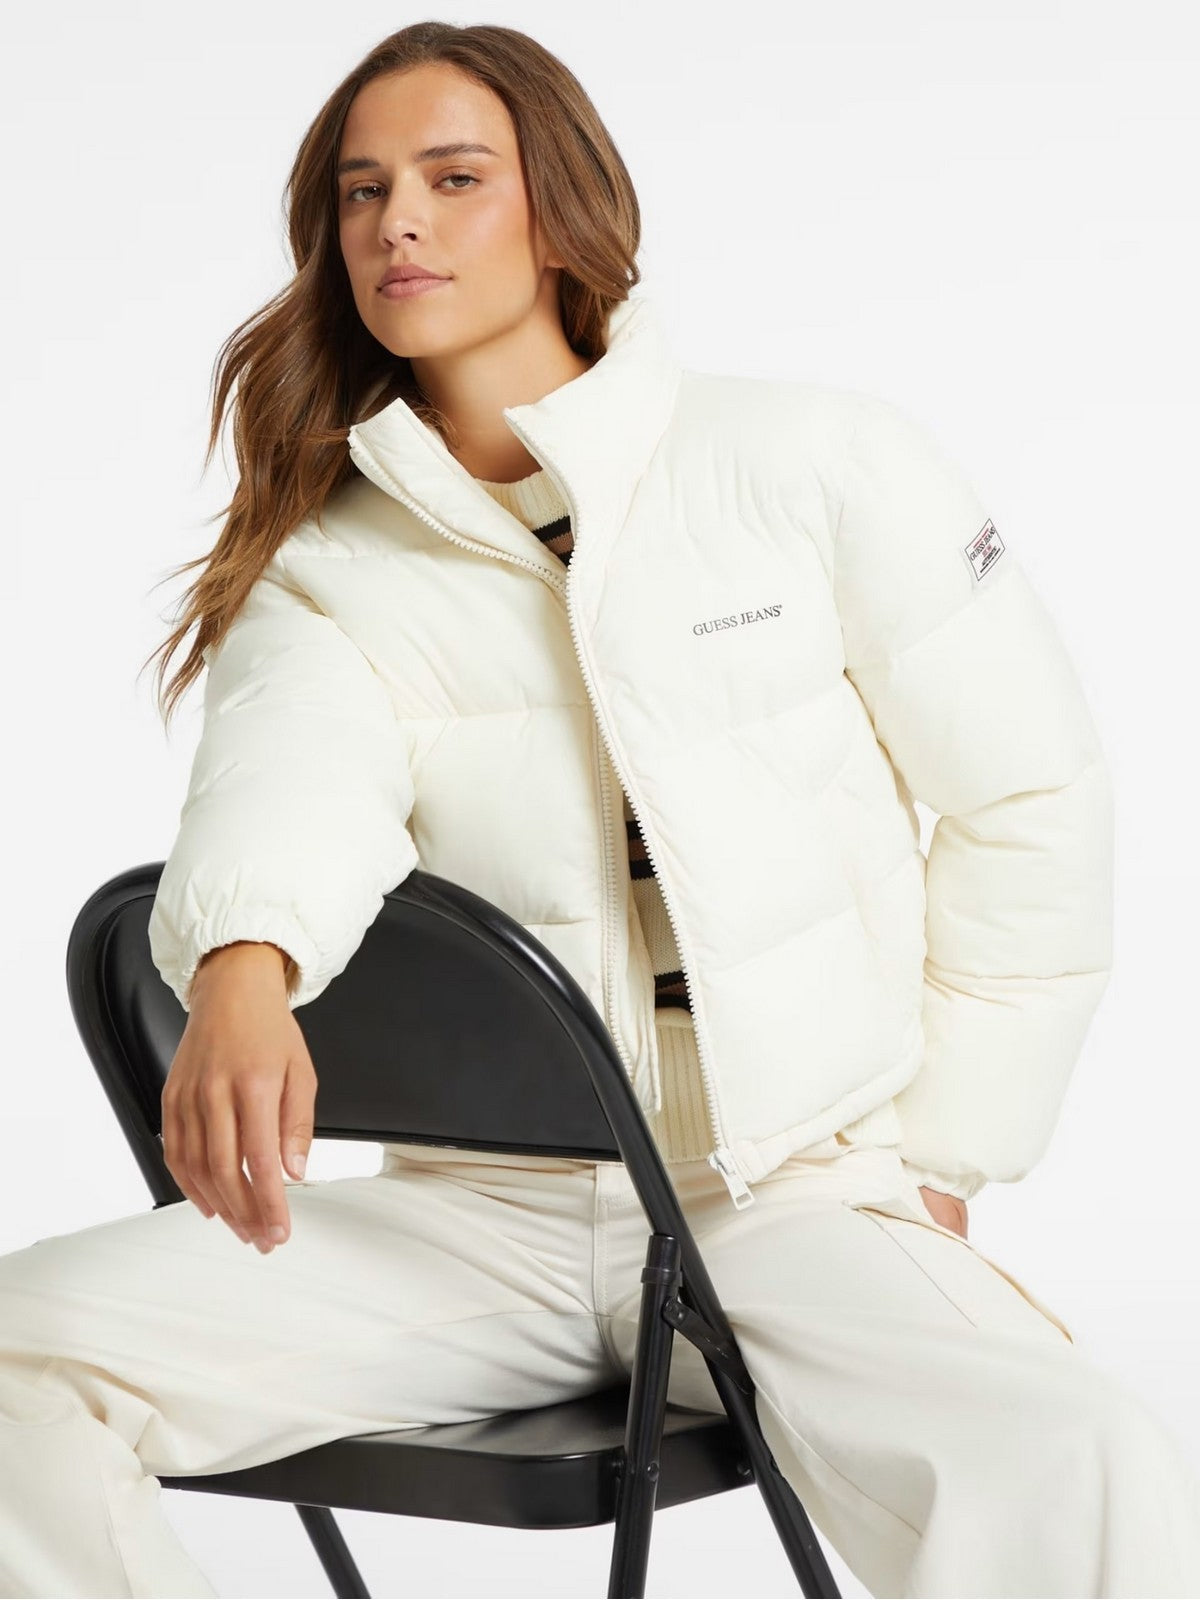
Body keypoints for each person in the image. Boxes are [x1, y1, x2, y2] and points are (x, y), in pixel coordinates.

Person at [3, 21, 1199, 1599]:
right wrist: (241, 965)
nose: (398, 223)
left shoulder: (813, 461)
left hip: (788, 1199)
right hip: (477, 1222)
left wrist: (947, 1156)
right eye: (362, 192)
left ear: (562, 212)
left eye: (453, 178)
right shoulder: (330, 562)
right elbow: (290, 779)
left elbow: (1031, 803)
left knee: (1081, 1457)